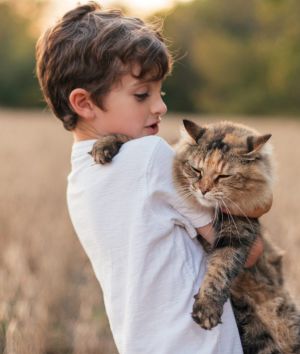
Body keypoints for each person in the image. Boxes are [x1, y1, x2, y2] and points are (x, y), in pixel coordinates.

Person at [36, 2, 264, 353]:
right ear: (84, 103)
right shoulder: (148, 157)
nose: (160, 107)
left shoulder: (79, 182)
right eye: (142, 94)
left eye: (161, 92)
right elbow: (247, 252)